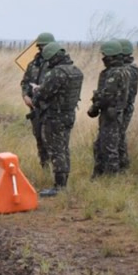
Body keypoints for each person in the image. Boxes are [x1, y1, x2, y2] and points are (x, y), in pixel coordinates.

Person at [32, 41, 83, 197]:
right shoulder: (76, 71)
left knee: (56, 150)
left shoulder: (57, 73)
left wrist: (37, 90)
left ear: (54, 57)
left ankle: (59, 186)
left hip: (56, 116)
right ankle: (63, 182)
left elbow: (44, 94)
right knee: (64, 148)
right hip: (69, 114)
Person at [86, 40, 131, 178]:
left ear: (111, 56)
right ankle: (100, 175)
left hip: (111, 115)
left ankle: (111, 179)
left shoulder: (115, 73)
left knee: (109, 148)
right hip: (113, 114)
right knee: (101, 145)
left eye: (105, 55)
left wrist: (95, 105)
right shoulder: (123, 71)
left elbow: (107, 95)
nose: (103, 58)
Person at [20, 32, 55, 167]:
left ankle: (54, 169)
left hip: (49, 109)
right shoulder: (33, 64)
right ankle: (44, 167)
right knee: (39, 139)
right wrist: (25, 96)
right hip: (35, 109)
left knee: (50, 140)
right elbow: (25, 82)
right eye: (40, 47)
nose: (42, 50)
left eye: (45, 47)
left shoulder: (55, 65)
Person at [117, 39, 138, 172]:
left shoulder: (128, 69)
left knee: (119, 136)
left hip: (124, 107)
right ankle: (123, 165)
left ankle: (123, 165)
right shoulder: (132, 68)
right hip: (126, 106)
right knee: (120, 135)